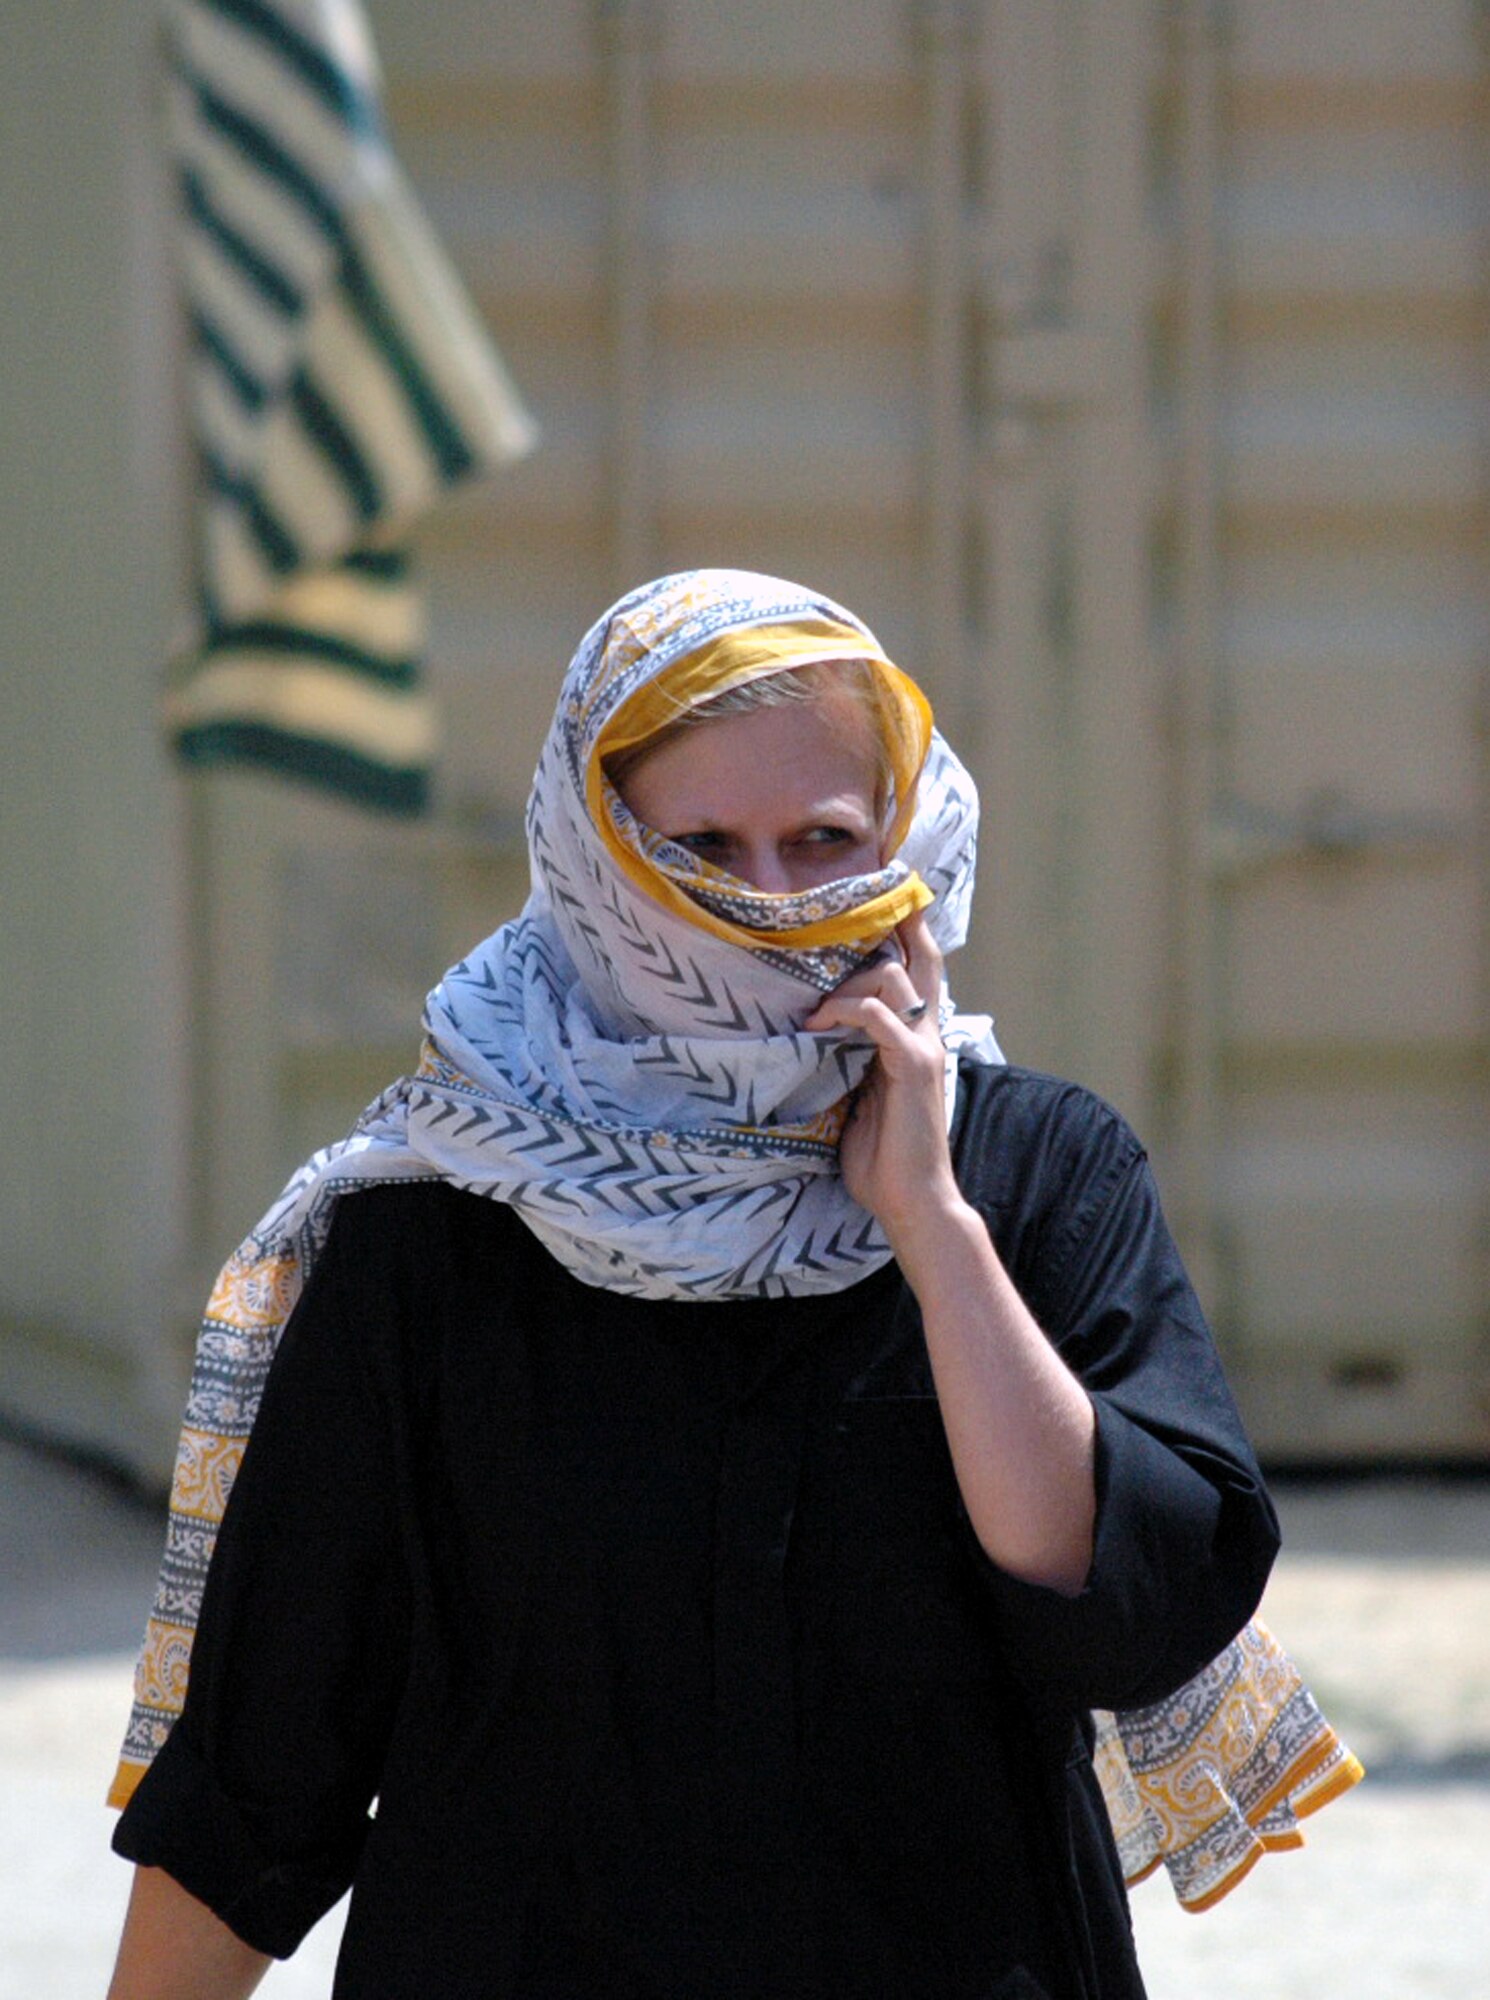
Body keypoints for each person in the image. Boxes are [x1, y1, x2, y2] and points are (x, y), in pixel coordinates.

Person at [106, 569, 1303, 1998]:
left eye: (824, 839)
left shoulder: (1039, 1171)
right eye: (705, 848)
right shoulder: (436, 1223)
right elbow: (266, 1762)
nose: (773, 905)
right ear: (596, 854)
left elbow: (1134, 1610)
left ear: (907, 836)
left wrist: (927, 1225)